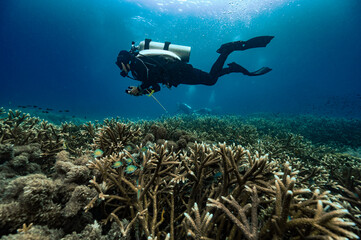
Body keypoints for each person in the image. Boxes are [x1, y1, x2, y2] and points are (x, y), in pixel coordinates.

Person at [116, 36, 274, 96]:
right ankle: (232, 67)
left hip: (181, 72)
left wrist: (141, 89)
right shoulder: (138, 64)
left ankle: (227, 51)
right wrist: (142, 91)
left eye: (120, 66)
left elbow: (153, 79)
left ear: (124, 61)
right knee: (211, 79)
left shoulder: (137, 64)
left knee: (211, 80)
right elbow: (155, 86)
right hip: (179, 74)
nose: (121, 69)